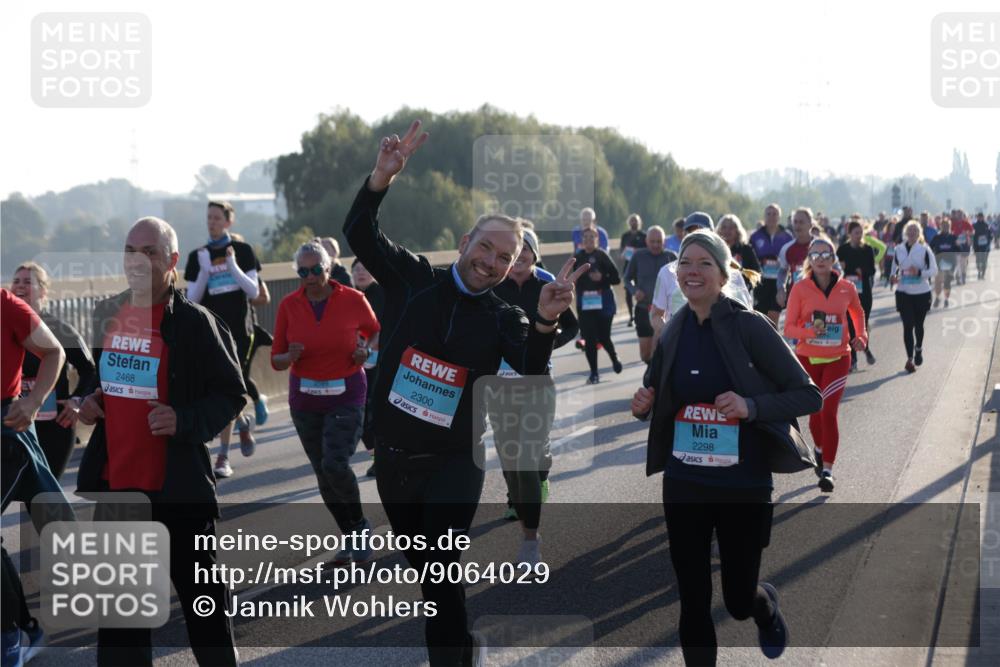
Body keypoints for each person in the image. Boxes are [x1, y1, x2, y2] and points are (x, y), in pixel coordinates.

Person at [343, 120, 585, 666]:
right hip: (396, 462)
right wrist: (381, 177)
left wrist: (545, 320)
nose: (493, 263)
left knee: (440, 580)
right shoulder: (414, 280)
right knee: (425, 573)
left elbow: (529, 364)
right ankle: (465, 646)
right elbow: (360, 232)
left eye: (506, 258)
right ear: (464, 243)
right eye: (487, 249)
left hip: (456, 464)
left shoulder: (504, 316)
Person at [631, 229, 822, 667]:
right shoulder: (675, 329)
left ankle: (763, 605)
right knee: (693, 599)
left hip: (743, 483)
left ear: (722, 274)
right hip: (685, 481)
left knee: (737, 599)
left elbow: (808, 394)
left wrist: (749, 406)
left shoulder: (750, 327)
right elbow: (655, 391)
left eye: (704, 264)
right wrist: (644, 404)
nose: (691, 272)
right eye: (684, 263)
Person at [77, 217, 244, 667]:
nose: (137, 259)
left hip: (179, 492)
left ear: (171, 261)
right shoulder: (107, 313)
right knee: (120, 628)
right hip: (119, 490)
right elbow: (104, 377)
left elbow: (232, 392)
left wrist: (185, 419)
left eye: (148, 251)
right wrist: (92, 399)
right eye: (130, 249)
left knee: (205, 614)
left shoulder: (196, 323)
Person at [271, 241, 380, 565]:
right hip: (305, 398)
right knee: (322, 471)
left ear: (329, 268)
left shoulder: (353, 299)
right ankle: (347, 533)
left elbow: (374, 331)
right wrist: (287, 357)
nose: (310, 276)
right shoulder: (289, 306)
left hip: (346, 392)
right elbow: (275, 358)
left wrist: (366, 351)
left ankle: (360, 527)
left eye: (316, 269)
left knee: (335, 464)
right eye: (303, 271)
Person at [489, 228, 579, 563]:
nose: (522, 254)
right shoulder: (491, 285)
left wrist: (545, 343)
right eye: (516, 249)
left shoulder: (547, 284)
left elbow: (571, 326)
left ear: (535, 254)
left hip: (538, 385)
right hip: (498, 387)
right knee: (512, 464)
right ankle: (525, 487)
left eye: (528, 249)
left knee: (525, 460)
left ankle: (530, 541)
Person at [1, 288, 68, 666]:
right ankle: (25, 626)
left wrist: (33, 401)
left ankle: (11, 637)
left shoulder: (5, 304)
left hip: (6, 434)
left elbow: (54, 351)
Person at [784, 236, 867, 491]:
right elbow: (788, 328)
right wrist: (809, 333)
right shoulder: (800, 288)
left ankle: (828, 471)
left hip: (838, 358)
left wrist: (861, 335)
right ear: (810, 260)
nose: (820, 259)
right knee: (814, 417)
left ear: (833, 259)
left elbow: (857, 312)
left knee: (828, 412)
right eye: (815, 255)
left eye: (825, 254)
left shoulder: (846, 288)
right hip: (807, 359)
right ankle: (819, 449)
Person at [184, 200, 260, 478]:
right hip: (209, 335)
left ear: (228, 221)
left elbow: (253, 291)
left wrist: (232, 266)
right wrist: (205, 271)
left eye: (217, 218)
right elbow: (191, 299)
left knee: (228, 389)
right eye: (208, 218)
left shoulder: (242, 250)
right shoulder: (198, 256)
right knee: (215, 391)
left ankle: (223, 456)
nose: (211, 222)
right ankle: (241, 421)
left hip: (239, 333)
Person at [10, 262, 96, 479]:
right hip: (15, 426)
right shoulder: (6, 329)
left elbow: (90, 370)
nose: (20, 286)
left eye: (28, 282)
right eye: (16, 281)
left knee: (43, 501)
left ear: (43, 291)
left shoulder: (59, 330)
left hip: (55, 428)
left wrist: (77, 400)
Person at [650, 213, 755, 342]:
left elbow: (747, 312)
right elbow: (656, 314)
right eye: (691, 232)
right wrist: (670, 333)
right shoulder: (667, 272)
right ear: (683, 236)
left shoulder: (731, 271)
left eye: (702, 233)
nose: (697, 238)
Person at [574, 226, 622, 384]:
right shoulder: (578, 257)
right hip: (585, 305)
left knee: (603, 336)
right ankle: (594, 373)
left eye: (591, 237)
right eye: (585, 237)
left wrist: (602, 278)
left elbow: (616, 279)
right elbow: (572, 280)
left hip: (604, 303)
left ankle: (614, 358)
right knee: (589, 339)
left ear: (597, 239)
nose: (588, 240)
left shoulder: (602, 255)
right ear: (581, 241)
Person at [890, 221, 938, 373]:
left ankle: (918, 348)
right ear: (905, 232)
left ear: (919, 234)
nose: (911, 233)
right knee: (907, 325)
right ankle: (910, 359)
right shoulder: (898, 249)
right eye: (909, 230)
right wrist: (893, 277)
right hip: (903, 292)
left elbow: (934, 270)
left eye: (914, 230)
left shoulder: (924, 249)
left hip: (921, 293)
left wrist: (919, 273)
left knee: (919, 325)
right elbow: (893, 269)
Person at [351, 258, 384, 478]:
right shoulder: (348, 296)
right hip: (355, 360)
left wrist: (368, 346)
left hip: (380, 359)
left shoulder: (381, 293)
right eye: (357, 269)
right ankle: (377, 457)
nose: (361, 272)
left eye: (365, 268)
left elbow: (381, 326)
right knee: (360, 414)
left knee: (376, 411)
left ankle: (384, 459)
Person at [836, 222, 884, 370]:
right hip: (847, 292)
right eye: (856, 232)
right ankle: (854, 359)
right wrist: (844, 270)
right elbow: (836, 267)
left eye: (861, 232)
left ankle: (866, 347)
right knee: (850, 323)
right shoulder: (843, 250)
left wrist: (861, 271)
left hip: (864, 292)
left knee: (863, 322)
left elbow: (872, 270)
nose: (859, 235)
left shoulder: (867, 249)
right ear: (850, 234)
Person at [623, 226, 674, 363]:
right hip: (644, 308)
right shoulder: (638, 256)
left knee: (661, 351)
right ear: (646, 241)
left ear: (664, 242)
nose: (656, 245)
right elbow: (627, 278)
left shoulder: (672, 257)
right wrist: (635, 291)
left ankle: (656, 380)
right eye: (653, 241)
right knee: (645, 355)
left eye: (659, 241)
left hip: (665, 312)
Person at [749, 203, 793, 325]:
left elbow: (791, 260)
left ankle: (773, 340)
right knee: (760, 316)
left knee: (774, 315)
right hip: (761, 282)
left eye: (775, 214)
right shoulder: (755, 236)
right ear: (764, 216)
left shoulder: (788, 236)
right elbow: (750, 258)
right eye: (769, 214)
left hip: (779, 283)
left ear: (779, 217)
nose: (772, 217)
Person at [775, 208, 815, 311]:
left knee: (816, 327)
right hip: (796, 299)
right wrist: (781, 288)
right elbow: (782, 271)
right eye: (795, 222)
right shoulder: (787, 248)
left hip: (818, 300)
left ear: (810, 224)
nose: (798, 226)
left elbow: (837, 270)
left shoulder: (821, 246)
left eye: (801, 222)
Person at [717, 214, 761, 286]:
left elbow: (756, 272)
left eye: (731, 228)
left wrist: (747, 286)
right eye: (724, 227)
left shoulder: (746, 249)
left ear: (737, 231)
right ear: (719, 230)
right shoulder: (715, 249)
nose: (727, 231)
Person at [619, 214, 647, 327]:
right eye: (631, 221)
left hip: (641, 267)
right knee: (628, 291)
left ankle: (642, 314)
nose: (633, 223)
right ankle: (631, 316)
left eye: (635, 221)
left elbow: (648, 249)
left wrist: (637, 251)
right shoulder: (625, 236)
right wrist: (624, 253)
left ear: (639, 222)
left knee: (641, 290)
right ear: (628, 223)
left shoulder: (644, 235)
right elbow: (622, 251)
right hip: (628, 266)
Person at [929, 219, 958, 308]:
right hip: (939, 262)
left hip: (950, 263)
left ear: (950, 226)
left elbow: (959, 249)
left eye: (947, 226)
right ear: (940, 227)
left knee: (947, 283)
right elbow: (930, 248)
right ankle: (938, 297)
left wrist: (960, 245)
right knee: (938, 282)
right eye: (944, 226)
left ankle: (946, 299)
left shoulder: (953, 237)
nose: (945, 227)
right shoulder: (936, 237)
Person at [950, 210, 974, 285]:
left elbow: (972, 232)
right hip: (957, 246)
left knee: (963, 263)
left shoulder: (966, 223)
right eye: (958, 214)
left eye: (961, 214)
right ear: (956, 215)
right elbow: (950, 232)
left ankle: (963, 275)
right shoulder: (953, 224)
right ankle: (958, 278)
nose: (959, 216)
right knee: (957, 262)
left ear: (963, 215)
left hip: (965, 246)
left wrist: (967, 233)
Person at [973, 211, 993, 280]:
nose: (980, 218)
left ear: (983, 217)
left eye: (981, 217)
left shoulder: (987, 225)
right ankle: (979, 272)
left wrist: (989, 240)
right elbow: (973, 236)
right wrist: (974, 245)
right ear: (977, 217)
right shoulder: (974, 226)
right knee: (978, 260)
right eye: (979, 217)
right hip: (977, 246)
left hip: (985, 246)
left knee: (984, 260)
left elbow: (990, 235)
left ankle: (983, 273)